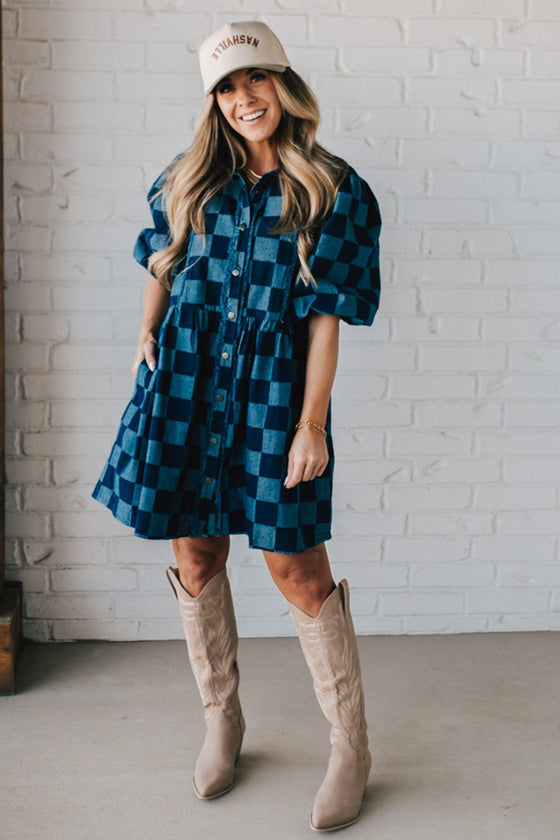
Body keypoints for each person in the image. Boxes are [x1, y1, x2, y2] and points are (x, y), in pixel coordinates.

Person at [91, 20, 381, 833]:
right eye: (226, 86)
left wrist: (311, 424)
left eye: (256, 80)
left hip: (273, 397)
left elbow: (326, 318)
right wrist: (146, 330)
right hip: (183, 384)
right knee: (193, 548)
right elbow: (164, 258)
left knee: (296, 567)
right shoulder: (187, 179)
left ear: (284, 86)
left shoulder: (333, 189)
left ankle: (350, 745)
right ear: (212, 100)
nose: (243, 98)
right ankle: (223, 717)